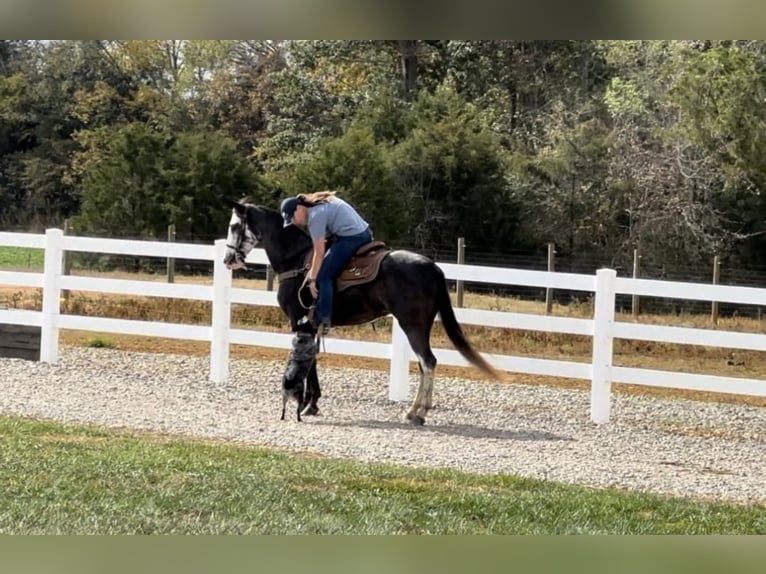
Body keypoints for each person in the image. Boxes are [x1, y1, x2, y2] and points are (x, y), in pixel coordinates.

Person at [280, 190, 372, 335]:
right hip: (360, 232)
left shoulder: (315, 216)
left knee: (324, 276)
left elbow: (319, 252)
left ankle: (323, 318)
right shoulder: (318, 206)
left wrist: (312, 278)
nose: (294, 222)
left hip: (352, 238)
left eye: (292, 218)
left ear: (299, 209)